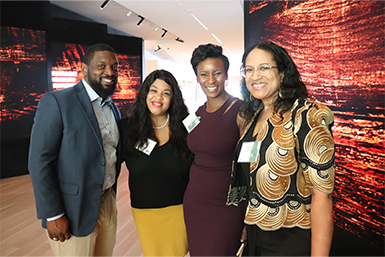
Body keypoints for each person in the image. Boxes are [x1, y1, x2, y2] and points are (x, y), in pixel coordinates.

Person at [227, 41, 335, 256]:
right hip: (256, 234)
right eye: (249, 69)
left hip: (290, 239)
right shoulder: (253, 118)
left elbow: (322, 197)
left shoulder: (306, 116)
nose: (255, 76)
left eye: (264, 68)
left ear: (284, 73)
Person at [28, 43, 121, 256]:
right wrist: (52, 214)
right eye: (102, 66)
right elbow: (39, 161)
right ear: (84, 68)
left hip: (107, 204)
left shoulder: (112, 108)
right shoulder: (57, 102)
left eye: (114, 67)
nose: (110, 72)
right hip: (72, 211)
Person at [183, 43, 248, 256]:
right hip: (195, 202)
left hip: (226, 205)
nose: (210, 81)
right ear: (197, 77)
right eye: (204, 74)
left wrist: (250, 213)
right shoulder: (198, 113)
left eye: (217, 73)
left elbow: (251, 165)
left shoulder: (242, 112)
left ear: (226, 75)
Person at [121, 69, 193, 256]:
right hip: (145, 212)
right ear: (145, 93)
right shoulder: (127, 128)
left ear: (173, 98)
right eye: (153, 90)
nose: (158, 97)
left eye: (166, 93)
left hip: (181, 210)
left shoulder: (188, 126)